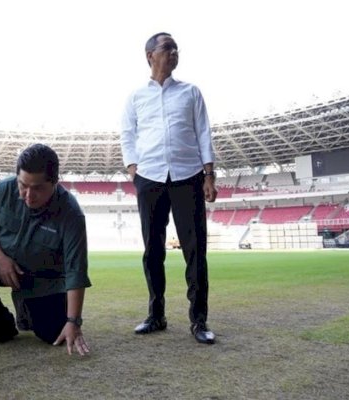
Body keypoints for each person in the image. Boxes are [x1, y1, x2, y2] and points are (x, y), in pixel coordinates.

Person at [120, 32, 218, 344]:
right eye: (167, 47)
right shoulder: (136, 97)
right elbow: (127, 135)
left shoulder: (191, 92)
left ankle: (199, 321)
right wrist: (133, 170)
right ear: (150, 55)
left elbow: (203, 132)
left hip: (188, 176)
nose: (174, 52)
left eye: (176, 48)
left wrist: (209, 174)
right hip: (149, 178)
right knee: (152, 251)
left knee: (195, 252)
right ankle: (156, 314)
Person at [0, 144, 91, 356]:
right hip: (3, 263)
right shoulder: (5, 189)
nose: (28, 195)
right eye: (23, 185)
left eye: (38, 188)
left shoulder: (71, 214)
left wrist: (73, 321)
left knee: (52, 334)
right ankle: (0, 323)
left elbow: (75, 270)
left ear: (54, 182)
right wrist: (0, 259)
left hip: (43, 280)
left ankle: (28, 308)